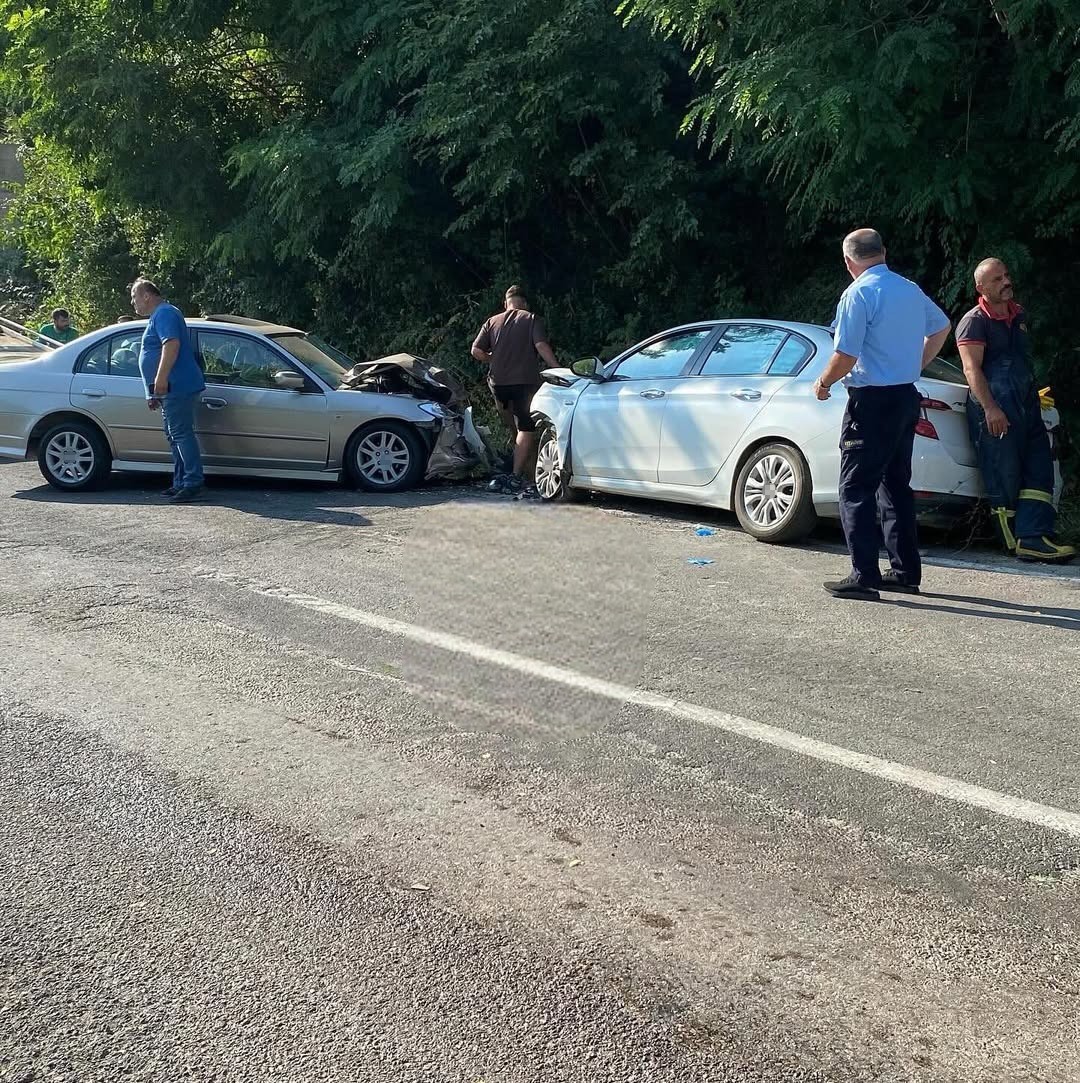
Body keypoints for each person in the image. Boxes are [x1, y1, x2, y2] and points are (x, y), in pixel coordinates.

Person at [815, 229, 952, 600]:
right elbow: (941, 326)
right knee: (895, 486)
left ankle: (864, 576)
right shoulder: (907, 288)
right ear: (883, 252)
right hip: (906, 397)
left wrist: (824, 382)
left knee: (855, 487)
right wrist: (916, 364)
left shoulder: (857, 294)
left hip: (871, 401)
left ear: (848, 262)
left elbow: (844, 354)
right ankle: (905, 572)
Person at [955, 259, 1074, 563]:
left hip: (1026, 404)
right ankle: (1013, 540)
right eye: (997, 279)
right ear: (981, 287)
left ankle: (1035, 536)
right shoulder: (974, 321)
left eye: (1007, 275)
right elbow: (971, 369)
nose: (1006, 282)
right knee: (1004, 473)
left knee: (1039, 468)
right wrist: (991, 408)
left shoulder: (1019, 315)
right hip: (995, 407)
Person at [471, 285, 558, 496]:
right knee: (526, 429)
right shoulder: (531, 319)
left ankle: (522, 465)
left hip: (497, 385)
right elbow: (541, 346)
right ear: (524, 303)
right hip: (524, 383)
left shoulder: (492, 321)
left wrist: (493, 358)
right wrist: (557, 369)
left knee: (516, 427)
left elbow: (476, 350)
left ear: (505, 303)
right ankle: (517, 474)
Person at [130, 278, 207, 503]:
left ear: (147, 295)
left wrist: (161, 378)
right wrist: (153, 391)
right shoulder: (160, 315)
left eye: (134, 297)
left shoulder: (165, 314)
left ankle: (193, 483)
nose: (133, 303)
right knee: (174, 435)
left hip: (177, 385)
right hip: (168, 389)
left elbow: (171, 345)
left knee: (181, 433)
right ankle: (181, 481)